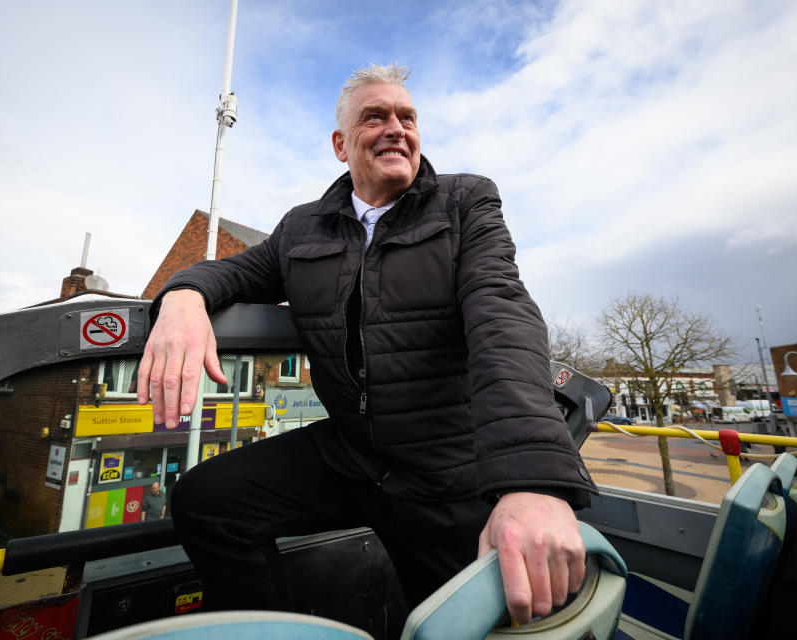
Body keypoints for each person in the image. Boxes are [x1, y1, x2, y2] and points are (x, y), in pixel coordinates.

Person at [137, 64, 596, 626]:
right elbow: (228, 275)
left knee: (475, 625)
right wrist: (182, 297)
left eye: (407, 117)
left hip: (443, 473)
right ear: (341, 144)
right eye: (374, 117)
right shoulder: (302, 229)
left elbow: (502, 316)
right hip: (352, 456)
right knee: (204, 503)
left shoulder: (464, 202)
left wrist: (531, 480)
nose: (396, 128)